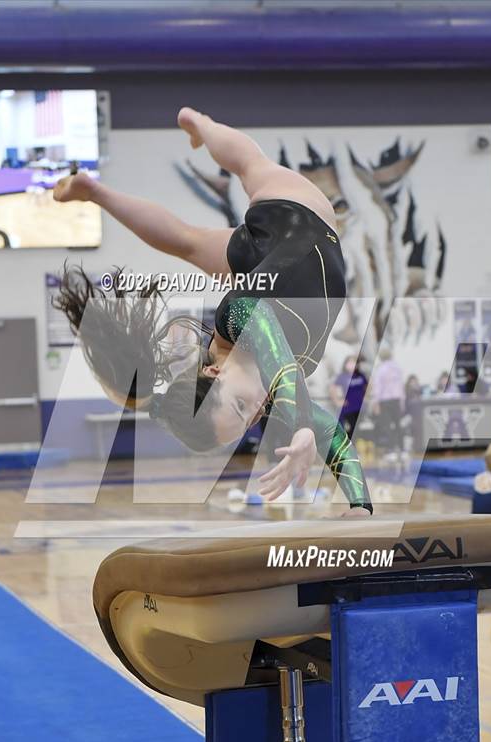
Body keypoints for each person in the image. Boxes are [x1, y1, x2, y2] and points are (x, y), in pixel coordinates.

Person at [53, 107, 372, 516]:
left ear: (214, 371)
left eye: (241, 406)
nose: (257, 411)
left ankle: (201, 125)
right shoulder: (273, 393)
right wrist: (360, 505)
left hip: (296, 218)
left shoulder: (237, 317)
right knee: (186, 241)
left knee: (249, 165)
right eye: (249, 420)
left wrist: (302, 425)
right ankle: (93, 191)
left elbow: (282, 361)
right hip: (271, 257)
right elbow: (335, 438)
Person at [369, 346, 405, 457]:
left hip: (385, 401)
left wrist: (375, 403)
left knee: (387, 425)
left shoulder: (381, 369)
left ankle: (391, 450)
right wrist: (402, 401)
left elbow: (378, 387)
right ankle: (402, 449)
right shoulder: (397, 368)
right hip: (397, 400)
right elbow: (400, 386)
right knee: (398, 424)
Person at [329, 356, 368, 437]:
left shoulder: (360, 375)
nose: (351, 364)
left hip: (361, 408)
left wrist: (366, 397)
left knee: (357, 430)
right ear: (345, 364)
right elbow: (332, 388)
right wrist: (337, 401)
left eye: (353, 362)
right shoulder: (342, 376)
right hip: (349, 408)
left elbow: (368, 386)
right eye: (349, 362)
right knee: (349, 429)